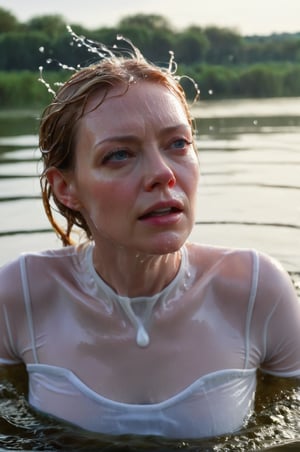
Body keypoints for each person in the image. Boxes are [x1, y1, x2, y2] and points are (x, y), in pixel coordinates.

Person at [0, 38, 299, 440]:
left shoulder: (256, 291)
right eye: (119, 154)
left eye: (178, 144)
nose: (163, 173)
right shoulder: (20, 296)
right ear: (67, 187)